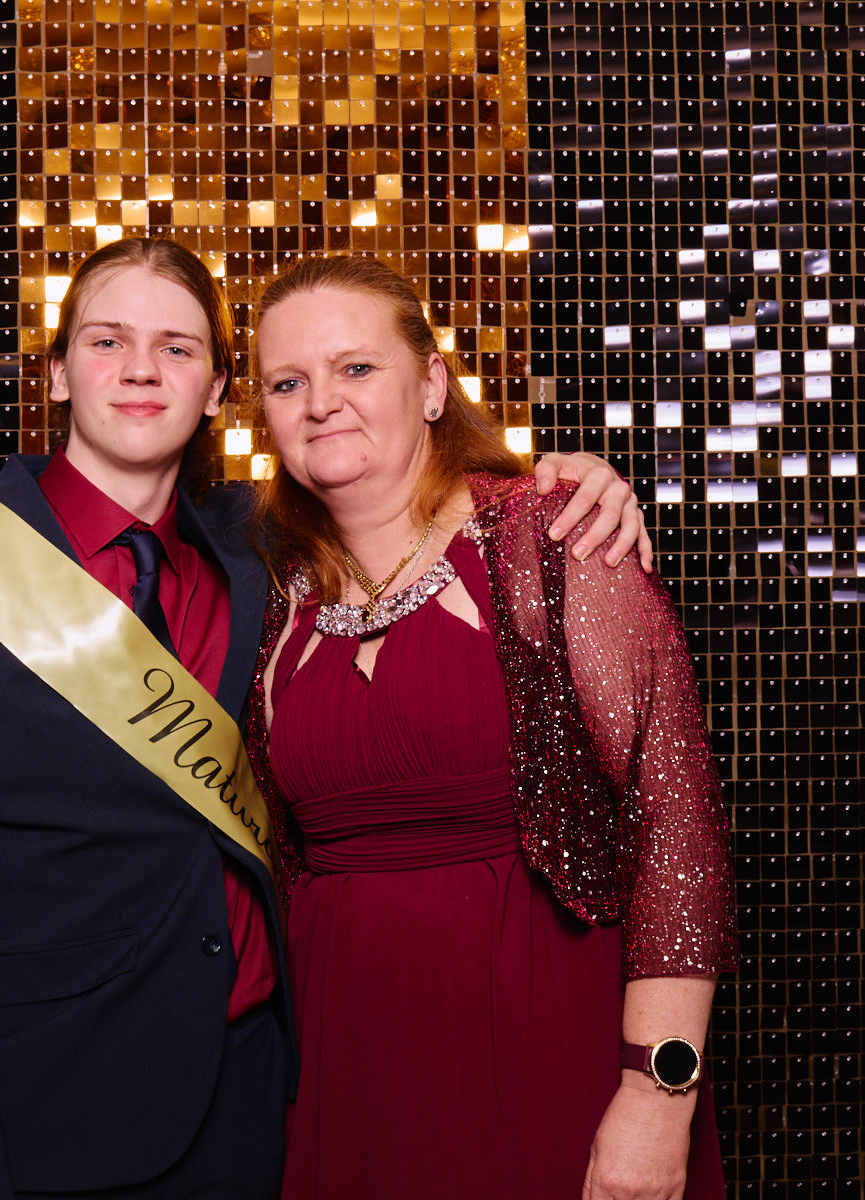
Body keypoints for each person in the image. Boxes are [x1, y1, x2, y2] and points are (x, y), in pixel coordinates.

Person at [0, 236, 652, 1200]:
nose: (142, 369)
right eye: (107, 341)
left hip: (268, 1099)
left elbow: (403, 494)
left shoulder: (261, 549)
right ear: (56, 373)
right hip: (55, 1109)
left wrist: (569, 482)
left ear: (220, 392)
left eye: (178, 348)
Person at [243, 254, 739, 1200]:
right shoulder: (274, 590)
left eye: (356, 368)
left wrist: (658, 1089)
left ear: (432, 385)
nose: (321, 403)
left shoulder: (553, 538)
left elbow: (677, 826)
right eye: (287, 382)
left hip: (544, 1036)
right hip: (347, 1067)